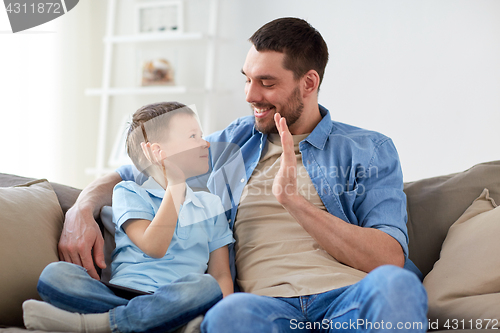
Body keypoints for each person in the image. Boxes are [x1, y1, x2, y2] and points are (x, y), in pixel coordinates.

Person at [58, 17, 428, 332]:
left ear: (309, 83)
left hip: (349, 301)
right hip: (263, 309)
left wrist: (294, 202)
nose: (251, 95)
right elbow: (132, 171)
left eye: (266, 82)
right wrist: (80, 210)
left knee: (397, 286)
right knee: (227, 314)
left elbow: (389, 258)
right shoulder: (230, 145)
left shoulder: (368, 150)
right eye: (247, 79)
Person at [23, 102, 234, 333]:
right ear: (156, 152)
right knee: (55, 276)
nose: (205, 143)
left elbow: (221, 274)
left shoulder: (211, 205)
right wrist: (175, 185)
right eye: (193, 136)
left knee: (206, 287)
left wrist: (221, 317)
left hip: (178, 295)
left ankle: (99, 324)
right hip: (125, 293)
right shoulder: (129, 193)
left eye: (201, 135)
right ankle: (159, 322)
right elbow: (155, 246)